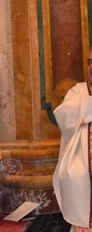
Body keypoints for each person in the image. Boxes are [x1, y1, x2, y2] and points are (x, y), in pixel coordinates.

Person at [53, 48, 92, 228]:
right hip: (80, 156)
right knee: (75, 174)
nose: (91, 67)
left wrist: (85, 111)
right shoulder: (78, 91)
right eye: (89, 62)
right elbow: (63, 114)